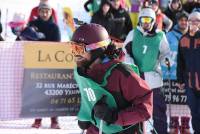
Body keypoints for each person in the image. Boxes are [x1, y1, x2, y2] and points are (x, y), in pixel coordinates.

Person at [72, 23, 153, 134]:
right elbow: (89, 99)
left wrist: (115, 116)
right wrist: (87, 117)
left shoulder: (121, 73)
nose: (75, 54)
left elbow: (145, 109)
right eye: (73, 48)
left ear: (97, 49)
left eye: (79, 49)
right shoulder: (82, 72)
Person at [123, 8, 170, 134]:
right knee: (137, 110)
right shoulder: (133, 34)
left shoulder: (160, 35)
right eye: (143, 20)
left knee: (158, 110)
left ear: (153, 21)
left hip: (154, 78)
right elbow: (125, 52)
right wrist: (131, 63)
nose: (145, 23)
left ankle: (160, 131)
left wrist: (166, 60)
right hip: (137, 78)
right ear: (139, 21)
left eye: (148, 20)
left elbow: (165, 52)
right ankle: (139, 131)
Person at [29, 2, 61, 129]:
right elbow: (25, 39)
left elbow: (57, 44)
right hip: (35, 63)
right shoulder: (33, 25)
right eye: (42, 11)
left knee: (52, 91)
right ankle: (38, 119)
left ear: (50, 12)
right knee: (38, 91)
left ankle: (54, 120)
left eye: (47, 11)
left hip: (51, 63)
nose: (45, 13)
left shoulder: (54, 27)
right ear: (39, 12)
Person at [163, 12, 190, 134]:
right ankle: (173, 123)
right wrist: (166, 64)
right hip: (171, 74)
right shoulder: (169, 36)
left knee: (186, 102)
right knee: (174, 102)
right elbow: (164, 53)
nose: (183, 22)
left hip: (188, 76)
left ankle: (185, 124)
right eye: (181, 20)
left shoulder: (193, 35)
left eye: (185, 20)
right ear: (177, 21)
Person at [176, 11, 200, 134]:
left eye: (197, 20)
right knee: (194, 112)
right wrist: (179, 79)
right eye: (191, 20)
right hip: (190, 83)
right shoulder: (183, 39)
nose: (194, 23)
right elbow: (180, 62)